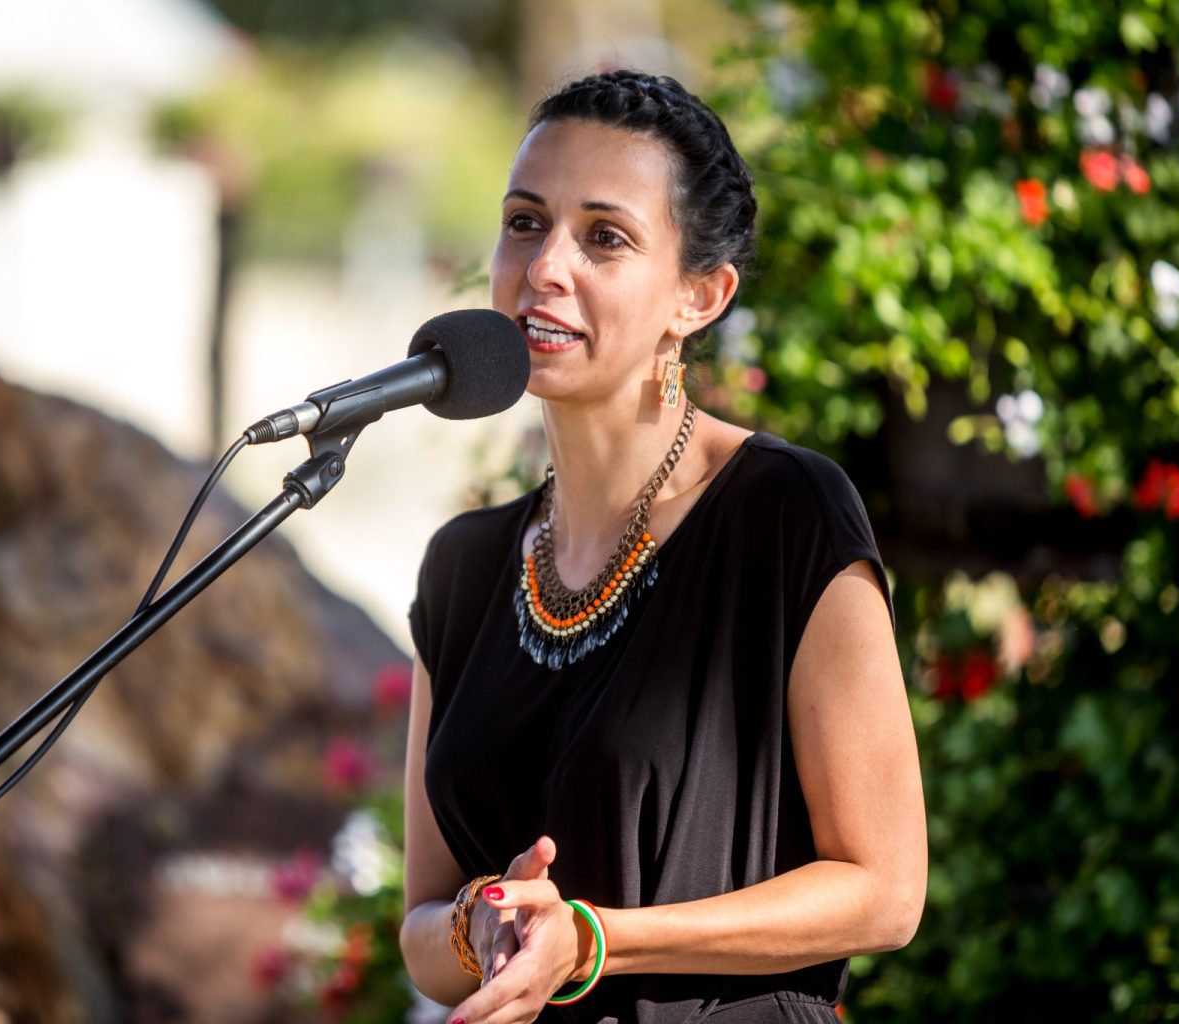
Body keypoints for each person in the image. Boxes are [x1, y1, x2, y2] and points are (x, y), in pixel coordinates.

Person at [397, 69, 926, 1024]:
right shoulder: (462, 567)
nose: (546, 265)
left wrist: (593, 939)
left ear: (700, 295)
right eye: (525, 222)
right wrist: (481, 924)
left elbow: (884, 891)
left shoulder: (786, 515)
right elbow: (420, 929)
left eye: (605, 237)